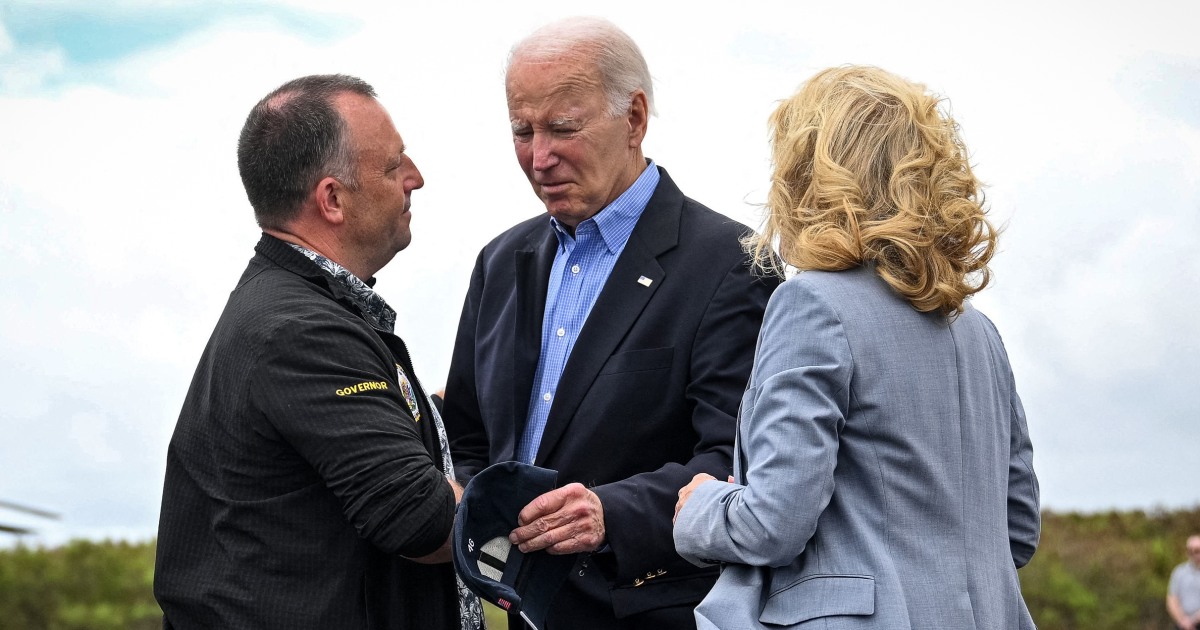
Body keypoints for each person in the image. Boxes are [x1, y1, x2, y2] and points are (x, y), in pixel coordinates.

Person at [672, 65, 1041, 629]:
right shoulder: (978, 332)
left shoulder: (813, 305)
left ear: (807, 172)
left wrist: (699, 506)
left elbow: (772, 522)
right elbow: (1017, 529)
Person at [440, 17, 779, 630]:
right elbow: (467, 438)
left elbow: (743, 458)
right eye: (522, 131)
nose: (540, 157)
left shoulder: (732, 263)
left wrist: (611, 513)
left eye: (563, 128)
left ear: (635, 118)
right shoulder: (498, 263)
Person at [154, 74, 481, 630]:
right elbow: (421, 523)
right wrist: (548, 496)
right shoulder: (303, 332)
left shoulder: (285, 312)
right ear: (331, 199)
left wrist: (442, 412)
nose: (415, 178)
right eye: (392, 164)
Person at [1168, 535, 1200, 629]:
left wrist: (1194, 620)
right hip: (1183, 624)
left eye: (1198, 550)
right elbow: (1172, 599)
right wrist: (1182, 620)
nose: (1196, 554)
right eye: (1192, 551)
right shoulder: (1179, 572)